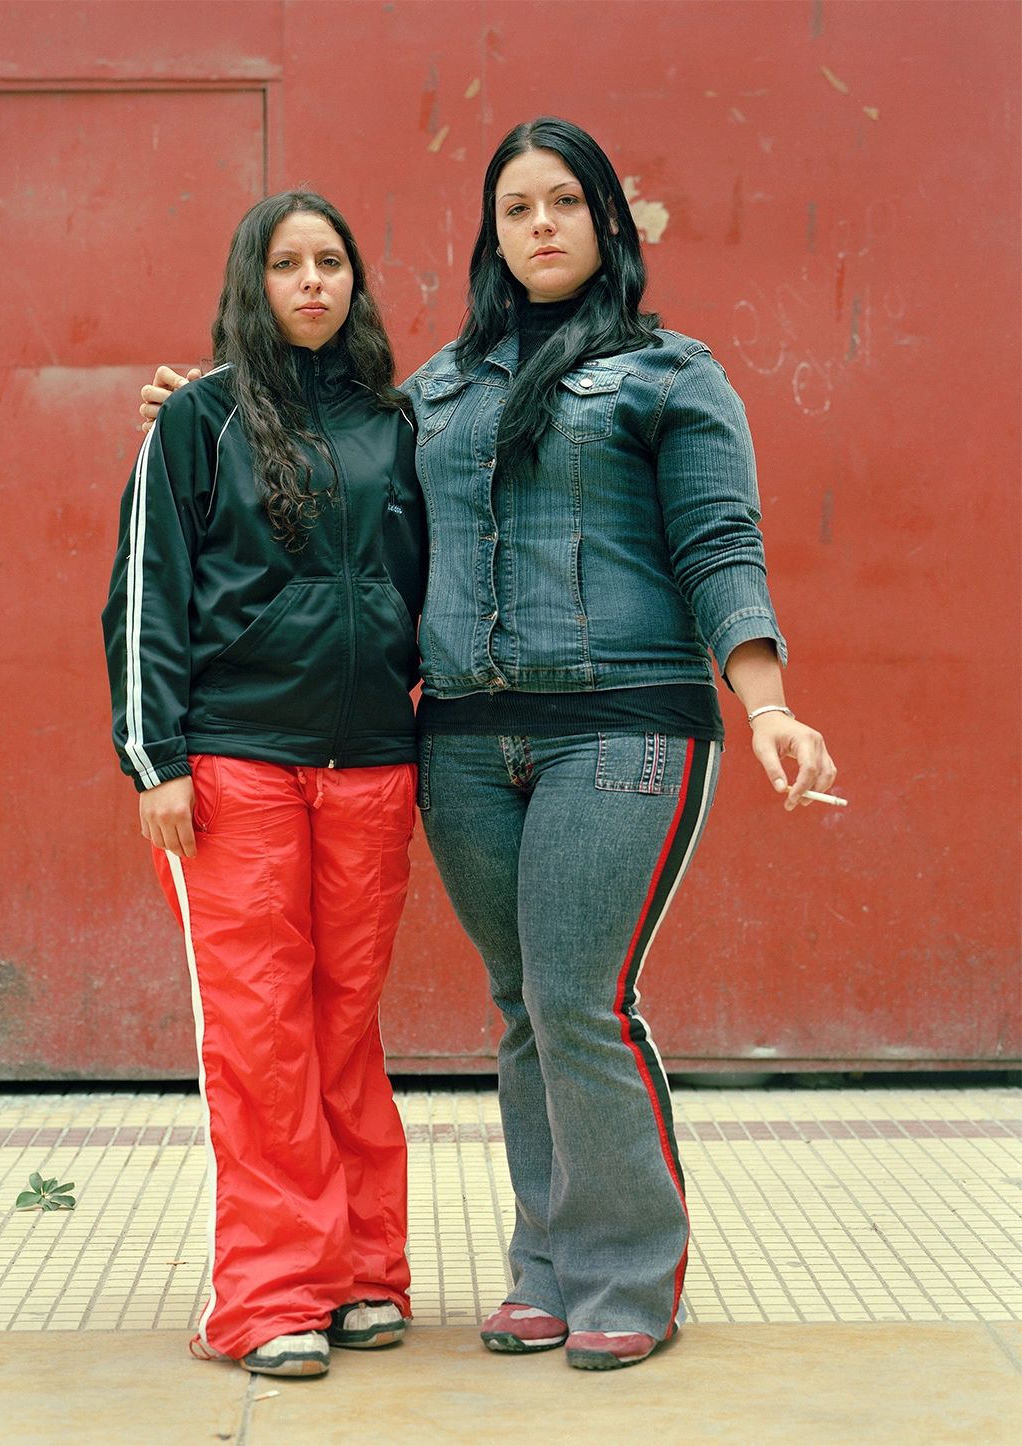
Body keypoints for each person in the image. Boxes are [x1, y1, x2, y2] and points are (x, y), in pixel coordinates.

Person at [141, 117, 836, 1371]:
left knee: (580, 1002)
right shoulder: (438, 391)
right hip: (460, 741)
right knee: (518, 1010)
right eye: (514, 209)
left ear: (605, 226)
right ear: (490, 233)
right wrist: (209, 414)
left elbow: (720, 547)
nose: (538, 228)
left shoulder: (672, 376)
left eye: (562, 203)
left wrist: (765, 699)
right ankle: (541, 1269)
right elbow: (320, 472)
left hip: (619, 727)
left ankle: (625, 1273)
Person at [102, 191, 427, 1379]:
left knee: (343, 1023)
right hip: (232, 766)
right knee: (260, 1035)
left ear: (355, 280)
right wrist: (153, 762)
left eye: (330, 261)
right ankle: (269, 1297)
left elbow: (425, 585)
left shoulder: (397, 423)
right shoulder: (193, 419)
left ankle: (361, 1273)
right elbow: (144, 592)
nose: (310, 283)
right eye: (285, 264)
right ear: (254, 279)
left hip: (370, 769)